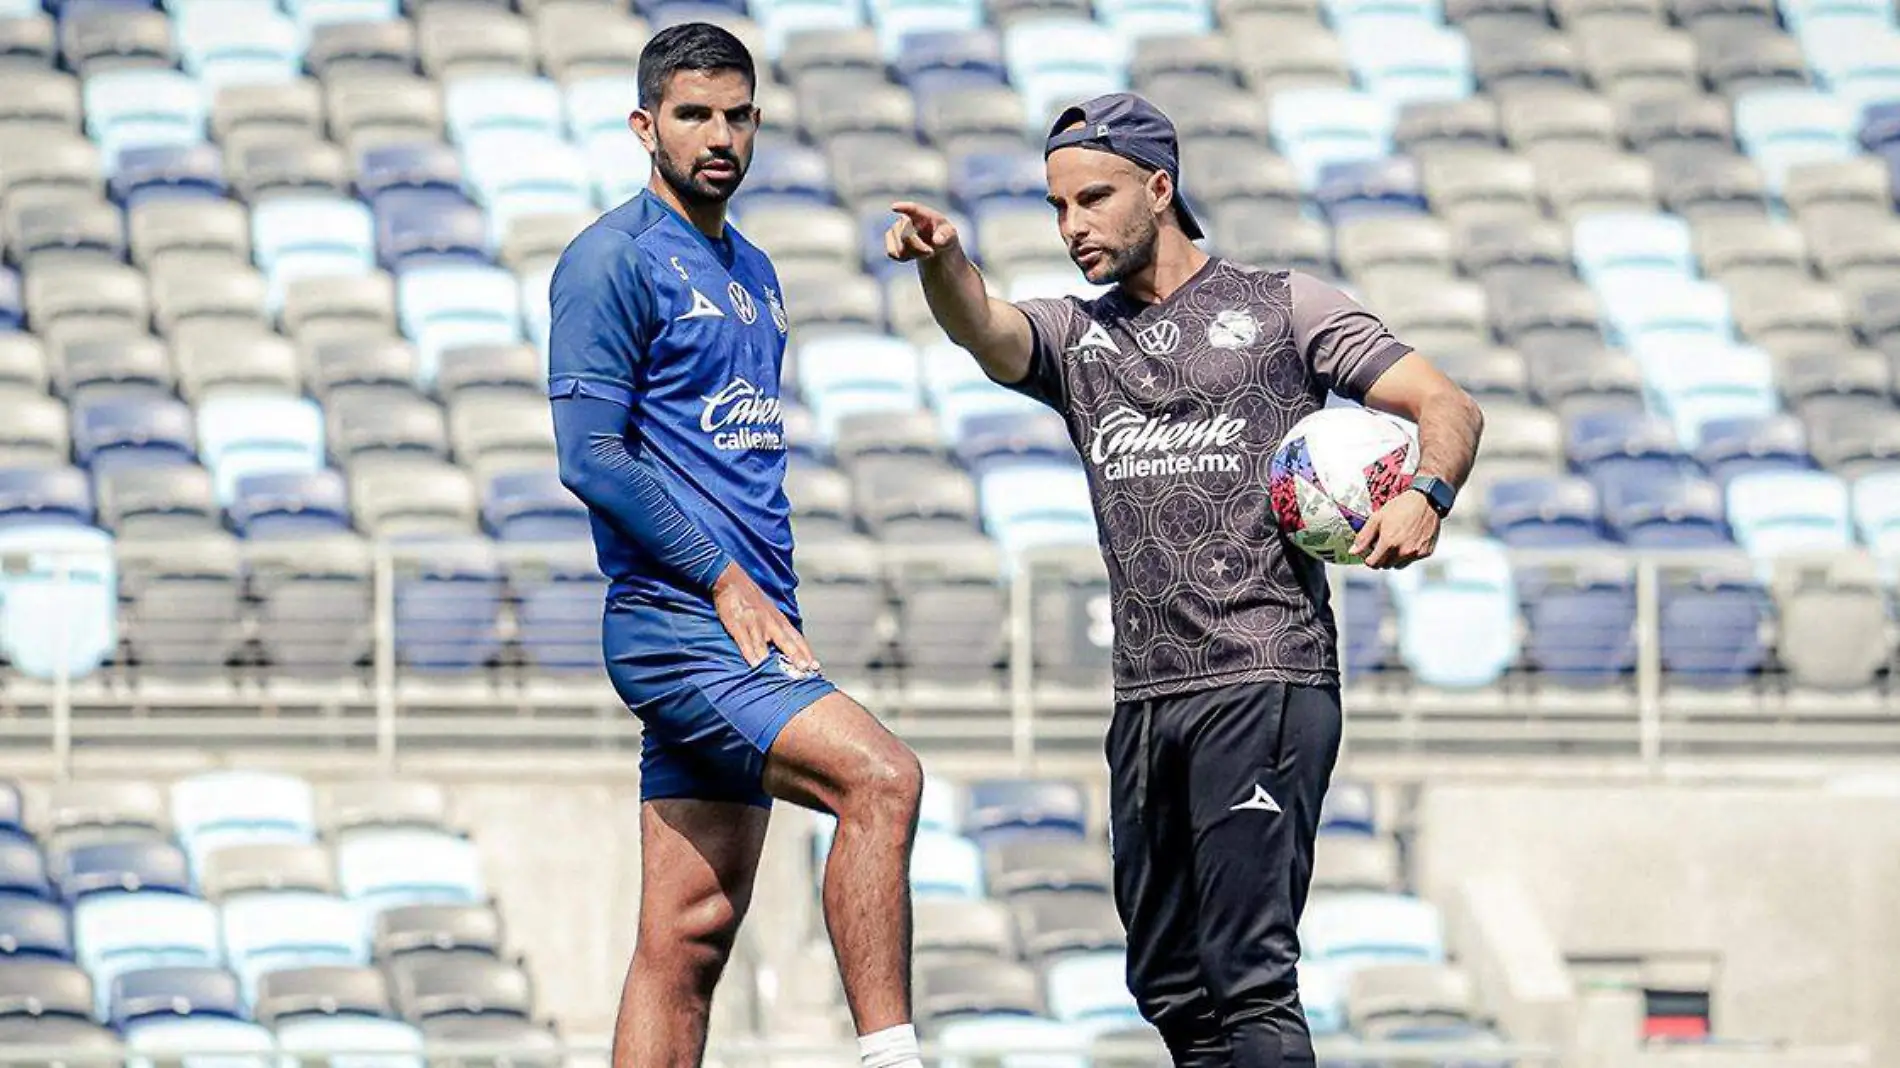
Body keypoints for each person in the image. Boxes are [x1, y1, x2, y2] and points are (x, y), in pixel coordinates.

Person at [886, 93, 1485, 1067]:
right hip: (1148, 698)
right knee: (1170, 983)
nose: (1072, 225)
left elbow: (1444, 402)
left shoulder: (1285, 306)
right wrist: (944, 264)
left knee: (1248, 975)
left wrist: (1425, 492)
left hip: (1263, 674)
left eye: (1092, 197)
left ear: (1159, 187)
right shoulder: (1077, 341)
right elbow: (984, 330)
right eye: (1056, 207)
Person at [549, 24, 926, 1068]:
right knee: (882, 779)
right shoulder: (608, 262)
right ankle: (892, 1056)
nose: (718, 134)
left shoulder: (753, 269)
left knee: (686, 935)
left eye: (736, 114)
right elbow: (592, 459)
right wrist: (722, 581)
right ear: (644, 126)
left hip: (746, 621)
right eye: (692, 115)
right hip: (681, 627)